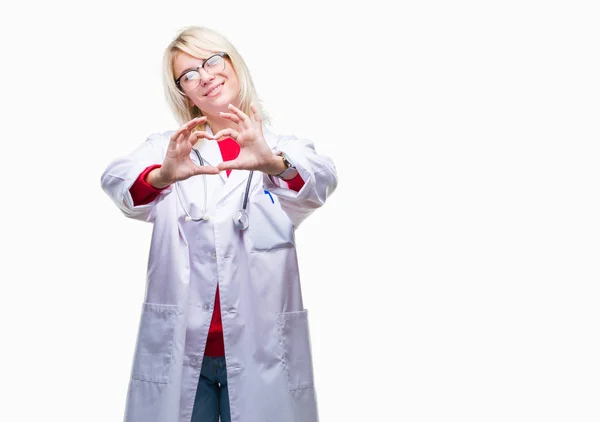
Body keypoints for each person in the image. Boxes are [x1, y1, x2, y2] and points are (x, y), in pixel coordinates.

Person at [100, 25, 337, 422]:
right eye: (189, 74)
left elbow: (320, 180)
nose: (205, 76)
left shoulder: (281, 146)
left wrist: (273, 163)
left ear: (232, 63)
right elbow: (117, 180)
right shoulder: (169, 149)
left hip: (262, 350)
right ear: (184, 93)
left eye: (212, 61)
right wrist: (162, 176)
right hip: (184, 352)